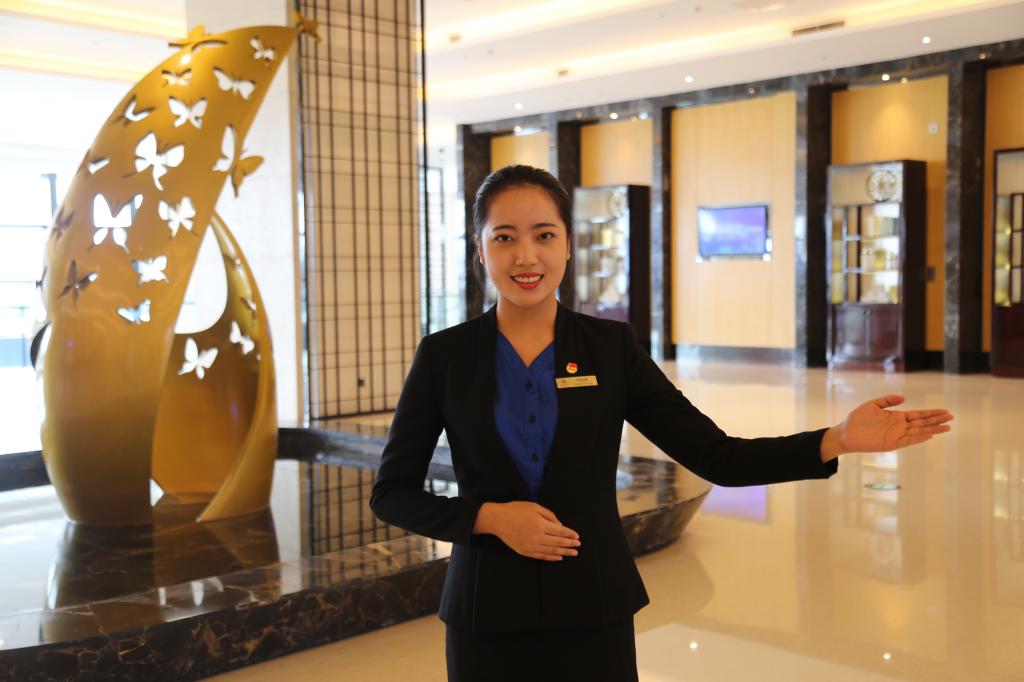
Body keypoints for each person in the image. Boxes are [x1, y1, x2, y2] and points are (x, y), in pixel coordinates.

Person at [369, 165, 954, 682]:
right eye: (505, 237)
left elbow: (717, 456)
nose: (526, 257)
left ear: (568, 245)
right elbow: (392, 492)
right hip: (485, 613)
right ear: (480, 250)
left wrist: (836, 439)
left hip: (593, 607)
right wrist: (488, 518)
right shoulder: (445, 356)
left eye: (544, 235)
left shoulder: (608, 348)